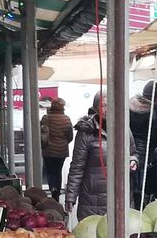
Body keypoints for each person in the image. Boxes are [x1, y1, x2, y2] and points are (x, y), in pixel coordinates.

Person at [64, 94, 108, 222]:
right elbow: (77, 166)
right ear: (95, 108)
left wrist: (133, 160)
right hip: (92, 199)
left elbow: (133, 152)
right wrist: (71, 196)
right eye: (103, 105)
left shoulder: (123, 128)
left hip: (118, 197)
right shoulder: (86, 133)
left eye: (110, 104)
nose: (107, 109)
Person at [127, 80, 157, 206]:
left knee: (130, 183)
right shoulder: (151, 112)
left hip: (129, 151)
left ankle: (131, 205)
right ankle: (139, 208)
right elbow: (156, 135)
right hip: (144, 153)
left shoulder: (129, 107)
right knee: (141, 186)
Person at [39, 97, 73, 200]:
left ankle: (52, 189)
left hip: (48, 150)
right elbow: (70, 136)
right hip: (61, 151)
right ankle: (57, 192)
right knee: (58, 171)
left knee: (50, 172)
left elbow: (40, 132)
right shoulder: (66, 119)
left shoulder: (46, 118)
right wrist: (62, 142)